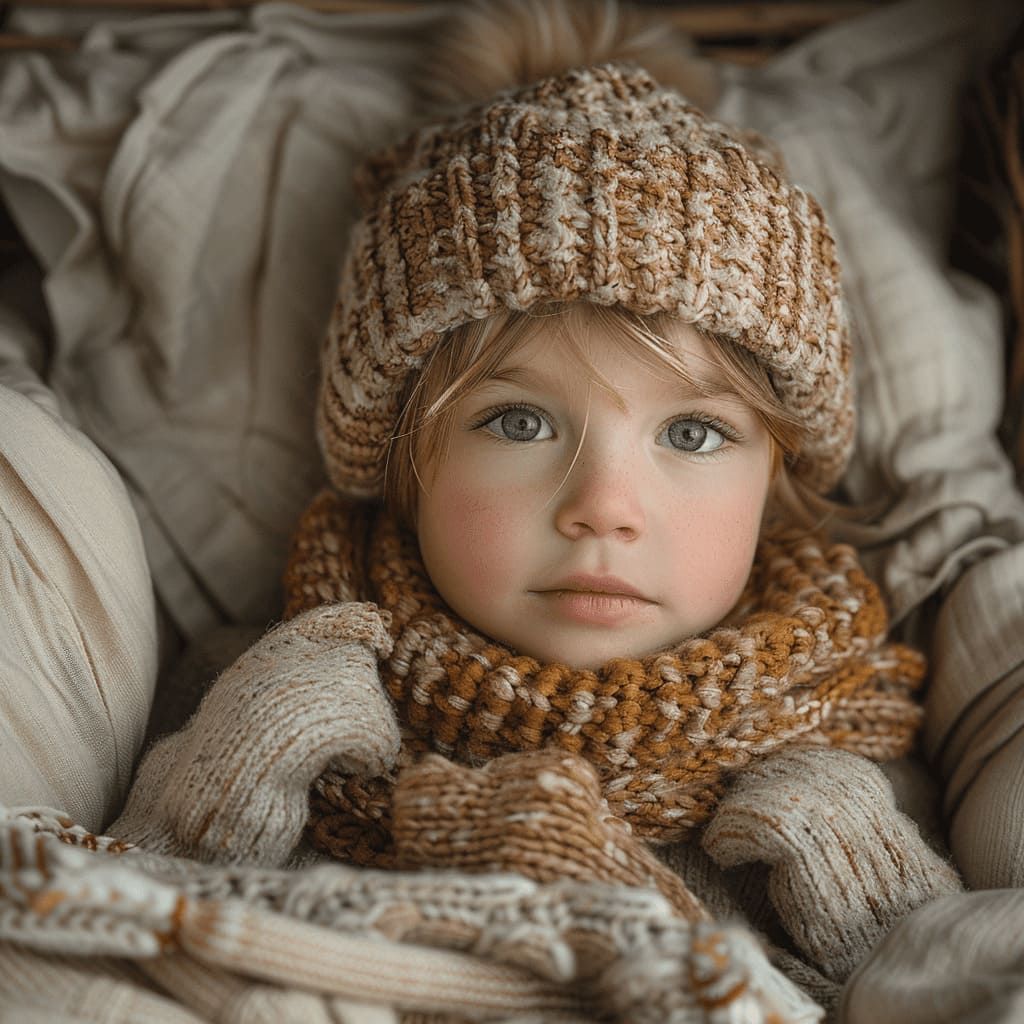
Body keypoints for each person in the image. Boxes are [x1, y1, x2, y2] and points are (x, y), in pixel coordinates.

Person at [114, 59, 961, 1016]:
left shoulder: (854, 742)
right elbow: (87, 942)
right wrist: (202, 809)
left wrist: (882, 915)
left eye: (692, 434)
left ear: (775, 478)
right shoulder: (262, 685)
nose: (603, 506)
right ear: (405, 459)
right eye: (519, 423)